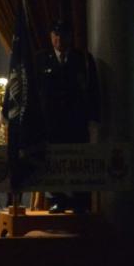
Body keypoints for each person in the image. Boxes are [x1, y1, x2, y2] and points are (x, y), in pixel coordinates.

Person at [39, 19, 98, 212]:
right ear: (51, 36)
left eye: (62, 35)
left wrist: (94, 118)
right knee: (54, 160)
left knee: (78, 158)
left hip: (76, 120)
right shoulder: (42, 59)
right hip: (51, 120)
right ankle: (58, 198)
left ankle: (80, 199)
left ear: (70, 37)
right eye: (55, 35)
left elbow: (93, 90)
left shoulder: (83, 59)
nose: (58, 39)